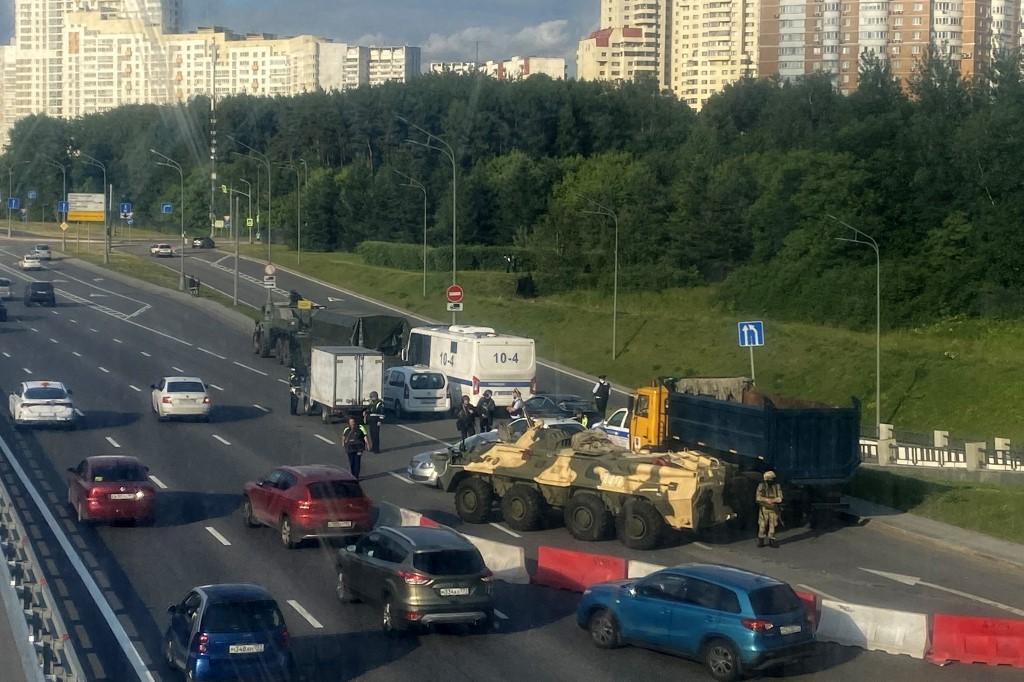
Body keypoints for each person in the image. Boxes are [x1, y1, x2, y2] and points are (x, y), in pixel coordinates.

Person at [756, 470, 783, 548]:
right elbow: (758, 497)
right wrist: (766, 500)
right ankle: (761, 540)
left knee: (773, 525)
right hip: (764, 508)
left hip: (774, 508)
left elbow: (780, 497)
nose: (771, 481)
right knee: (762, 525)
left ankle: (772, 540)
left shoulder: (777, 486)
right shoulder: (761, 486)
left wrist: (774, 500)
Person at [342, 416, 369, 480]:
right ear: (348, 422)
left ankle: (356, 476)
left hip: (358, 448)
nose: (352, 423)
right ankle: (352, 475)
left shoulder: (360, 428)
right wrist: (343, 444)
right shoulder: (346, 429)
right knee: (351, 462)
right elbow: (343, 437)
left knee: (357, 462)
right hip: (350, 448)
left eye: (353, 421)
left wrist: (367, 444)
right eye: (350, 422)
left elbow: (365, 436)